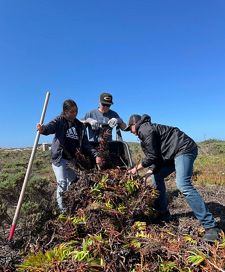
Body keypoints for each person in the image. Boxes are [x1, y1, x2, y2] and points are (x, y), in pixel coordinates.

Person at [125, 114, 219, 242]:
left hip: (183, 149)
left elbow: (152, 156)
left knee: (183, 184)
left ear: (134, 125)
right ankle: (163, 214)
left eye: (130, 129)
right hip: (171, 155)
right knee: (155, 177)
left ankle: (211, 227)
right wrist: (149, 172)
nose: (131, 132)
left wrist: (136, 168)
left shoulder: (144, 129)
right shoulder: (147, 130)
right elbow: (156, 157)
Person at [37, 99, 102, 213]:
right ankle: (62, 211)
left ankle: (71, 201)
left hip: (71, 159)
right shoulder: (59, 120)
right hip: (59, 157)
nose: (74, 113)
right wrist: (42, 129)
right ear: (65, 112)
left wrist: (96, 154)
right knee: (62, 182)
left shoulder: (79, 125)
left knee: (75, 180)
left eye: (76, 111)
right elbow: (50, 127)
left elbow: (85, 143)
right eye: (71, 111)